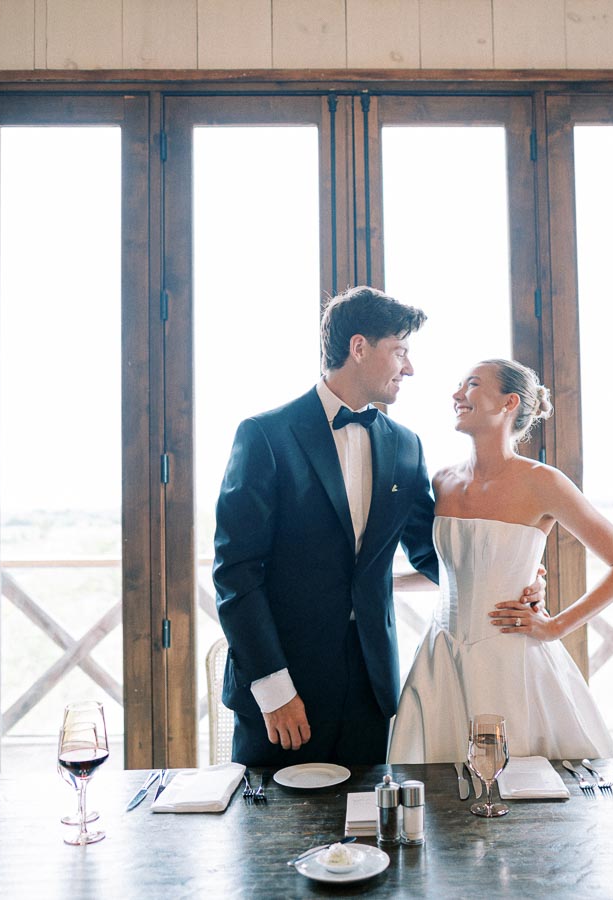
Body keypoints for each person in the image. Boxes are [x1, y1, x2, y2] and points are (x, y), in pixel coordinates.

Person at [212, 288, 543, 767]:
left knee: (369, 833)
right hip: (284, 690)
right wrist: (273, 688)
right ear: (360, 347)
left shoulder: (405, 447)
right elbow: (236, 573)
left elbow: (436, 552)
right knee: (273, 836)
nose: (408, 369)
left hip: (371, 689)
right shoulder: (265, 435)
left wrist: (520, 578)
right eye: (401, 352)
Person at [387, 358, 613, 763]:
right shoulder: (442, 481)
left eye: (471, 385)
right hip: (442, 657)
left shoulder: (544, 482)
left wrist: (555, 626)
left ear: (509, 403)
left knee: (524, 787)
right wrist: (386, 583)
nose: (457, 395)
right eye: (459, 386)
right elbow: (455, 569)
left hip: (511, 660)